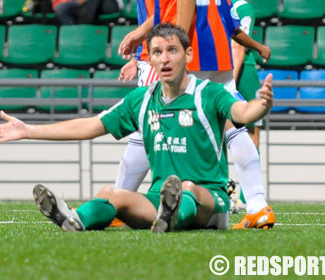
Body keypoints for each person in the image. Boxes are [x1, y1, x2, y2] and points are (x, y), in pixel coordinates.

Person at [0, 23, 274, 232]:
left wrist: (261, 104)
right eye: (157, 52)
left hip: (212, 202)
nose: (164, 58)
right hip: (161, 199)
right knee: (112, 194)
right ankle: (73, 218)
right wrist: (28, 130)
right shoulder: (141, 100)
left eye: (172, 50)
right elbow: (90, 125)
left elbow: (243, 112)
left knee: (188, 188)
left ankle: (171, 215)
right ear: (149, 58)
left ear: (188, 55)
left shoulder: (208, 93)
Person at [116, 0, 275, 229]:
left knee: (151, 121)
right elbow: (229, 23)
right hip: (217, 51)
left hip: (193, 51)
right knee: (234, 126)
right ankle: (257, 205)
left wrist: (173, 50)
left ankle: (120, 202)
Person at [231, 0, 262, 150]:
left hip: (242, 71)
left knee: (251, 129)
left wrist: (232, 82)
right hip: (225, 68)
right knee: (251, 131)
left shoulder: (240, 7)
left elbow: (238, 45)